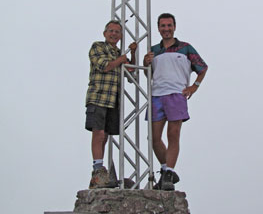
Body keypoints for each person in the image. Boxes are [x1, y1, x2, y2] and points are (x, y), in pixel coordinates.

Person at [143, 13, 208, 190]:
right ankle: (166, 171)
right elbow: (147, 73)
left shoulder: (185, 48)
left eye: (169, 25)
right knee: (154, 138)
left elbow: (202, 67)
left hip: (176, 95)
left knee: (173, 135)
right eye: (163, 26)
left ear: (174, 27)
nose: (166, 29)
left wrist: (194, 87)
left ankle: (168, 173)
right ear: (158, 28)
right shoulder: (154, 50)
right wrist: (145, 62)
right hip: (156, 95)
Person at [85, 20, 137, 189]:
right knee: (98, 133)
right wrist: (120, 60)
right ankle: (98, 170)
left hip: (113, 100)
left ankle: (101, 171)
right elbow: (104, 66)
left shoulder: (119, 52)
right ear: (105, 33)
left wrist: (133, 54)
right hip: (99, 97)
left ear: (121, 36)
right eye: (111, 31)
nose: (114, 34)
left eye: (117, 32)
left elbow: (131, 71)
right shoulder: (98, 47)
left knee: (105, 135)